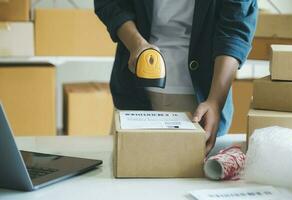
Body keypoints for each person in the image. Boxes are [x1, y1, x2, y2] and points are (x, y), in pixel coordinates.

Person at [94, 0, 258, 154]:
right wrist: (136, 44)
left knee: (192, 181)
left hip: (201, 99)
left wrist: (215, 101)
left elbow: (236, 26)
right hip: (134, 91)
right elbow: (111, 3)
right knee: (126, 173)